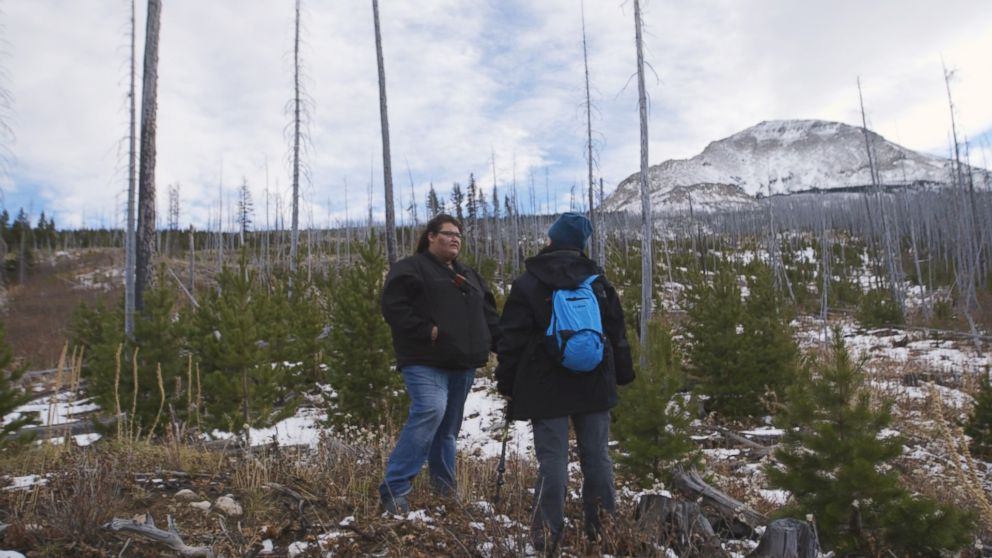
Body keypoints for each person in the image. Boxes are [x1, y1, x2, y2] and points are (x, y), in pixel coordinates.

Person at [495, 212, 634, 552]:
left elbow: (510, 339)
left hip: (544, 386)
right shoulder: (597, 281)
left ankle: (546, 538)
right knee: (597, 458)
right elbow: (616, 332)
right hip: (594, 382)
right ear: (580, 245)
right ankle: (603, 532)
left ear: (553, 239)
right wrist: (622, 375)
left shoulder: (529, 281)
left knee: (553, 462)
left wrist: (507, 383)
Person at [379, 213, 500, 514]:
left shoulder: (469, 275)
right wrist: (426, 330)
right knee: (429, 411)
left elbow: (489, 317)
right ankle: (394, 490)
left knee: (447, 430)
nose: (455, 238)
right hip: (425, 360)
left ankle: (445, 493)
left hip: (463, 364)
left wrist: (503, 347)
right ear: (430, 236)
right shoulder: (411, 268)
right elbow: (393, 307)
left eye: (458, 234)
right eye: (448, 233)